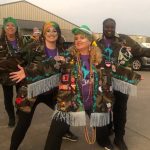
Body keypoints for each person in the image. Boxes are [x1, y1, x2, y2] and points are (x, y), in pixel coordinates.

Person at [10, 24, 113, 150]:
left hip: (94, 103)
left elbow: (115, 69)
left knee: (101, 130)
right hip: (70, 101)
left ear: (90, 40)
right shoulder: (67, 57)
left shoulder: (100, 59)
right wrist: (27, 71)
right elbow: (49, 64)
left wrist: (133, 75)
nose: (78, 40)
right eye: (76, 38)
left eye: (82, 38)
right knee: (55, 133)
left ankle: (105, 143)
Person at [9, 21, 78, 150]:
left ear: (58, 33)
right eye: (48, 31)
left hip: (51, 91)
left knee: (65, 112)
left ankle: (64, 132)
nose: (51, 34)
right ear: (44, 33)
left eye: (54, 31)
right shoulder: (34, 46)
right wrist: (22, 71)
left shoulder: (62, 49)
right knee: (23, 125)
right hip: (32, 91)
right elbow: (16, 60)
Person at [95, 18, 141, 150]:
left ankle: (119, 138)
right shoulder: (96, 43)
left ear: (115, 27)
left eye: (112, 27)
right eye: (107, 27)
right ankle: (108, 129)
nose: (109, 29)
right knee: (106, 106)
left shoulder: (123, 40)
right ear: (102, 27)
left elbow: (140, 50)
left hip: (121, 80)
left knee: (120, 109)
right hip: (104, 82)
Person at [0, 17, 24, 127]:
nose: (10, 27)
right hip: (6, 75)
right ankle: (11, 116)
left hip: (20, 73)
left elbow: (27, 55)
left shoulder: (22, 40)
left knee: (21, 95)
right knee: (8, 97)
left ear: (16, 28)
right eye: (8, 25)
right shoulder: (0, 41)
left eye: (13, 25)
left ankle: (19, 112)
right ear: (4, 28)